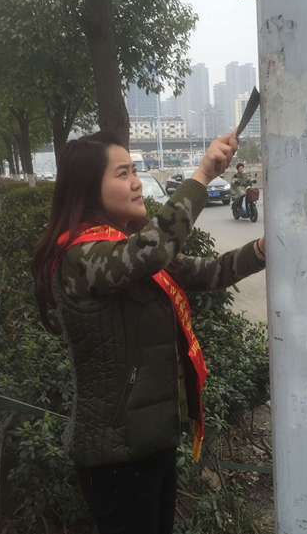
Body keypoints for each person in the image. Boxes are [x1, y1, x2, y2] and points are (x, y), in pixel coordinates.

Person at [32, 131, 266, 534]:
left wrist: (261, 250)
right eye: (123, 173)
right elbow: (155, 248)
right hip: (116, 460)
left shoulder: (123, 249)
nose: (137, 182)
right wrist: (203, 174)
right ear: (88, 187)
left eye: (135, 171)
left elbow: (208, 273)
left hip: (152, 443)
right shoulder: (81, 257)